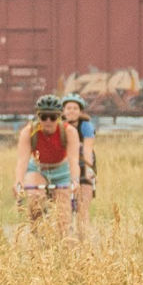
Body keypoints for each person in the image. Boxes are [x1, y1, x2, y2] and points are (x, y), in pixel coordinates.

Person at [15, 93, 80, 226]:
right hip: (39, 169)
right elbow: (23, 160)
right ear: (38, 117)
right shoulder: (29, 132)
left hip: (61, 171)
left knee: (63, 218)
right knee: (35, 200)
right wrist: (19, 181)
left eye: (53, 117)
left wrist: (75, 180)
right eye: (44, 117)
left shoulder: (69, 132)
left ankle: (62, 243)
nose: (48, 121)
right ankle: (38, 236)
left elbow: (74, 160)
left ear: (60, 117)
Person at [63, 94, 97, 232]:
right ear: (63, 111)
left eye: (75, 108)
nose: (71, 111)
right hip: (64, 166)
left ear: (81, 112)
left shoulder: (86, 126)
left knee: (82, 207)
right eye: (68, 108)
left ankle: (84, 241)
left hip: (83, 164)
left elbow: (88, 149)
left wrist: (89, 169)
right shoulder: (58, 125)